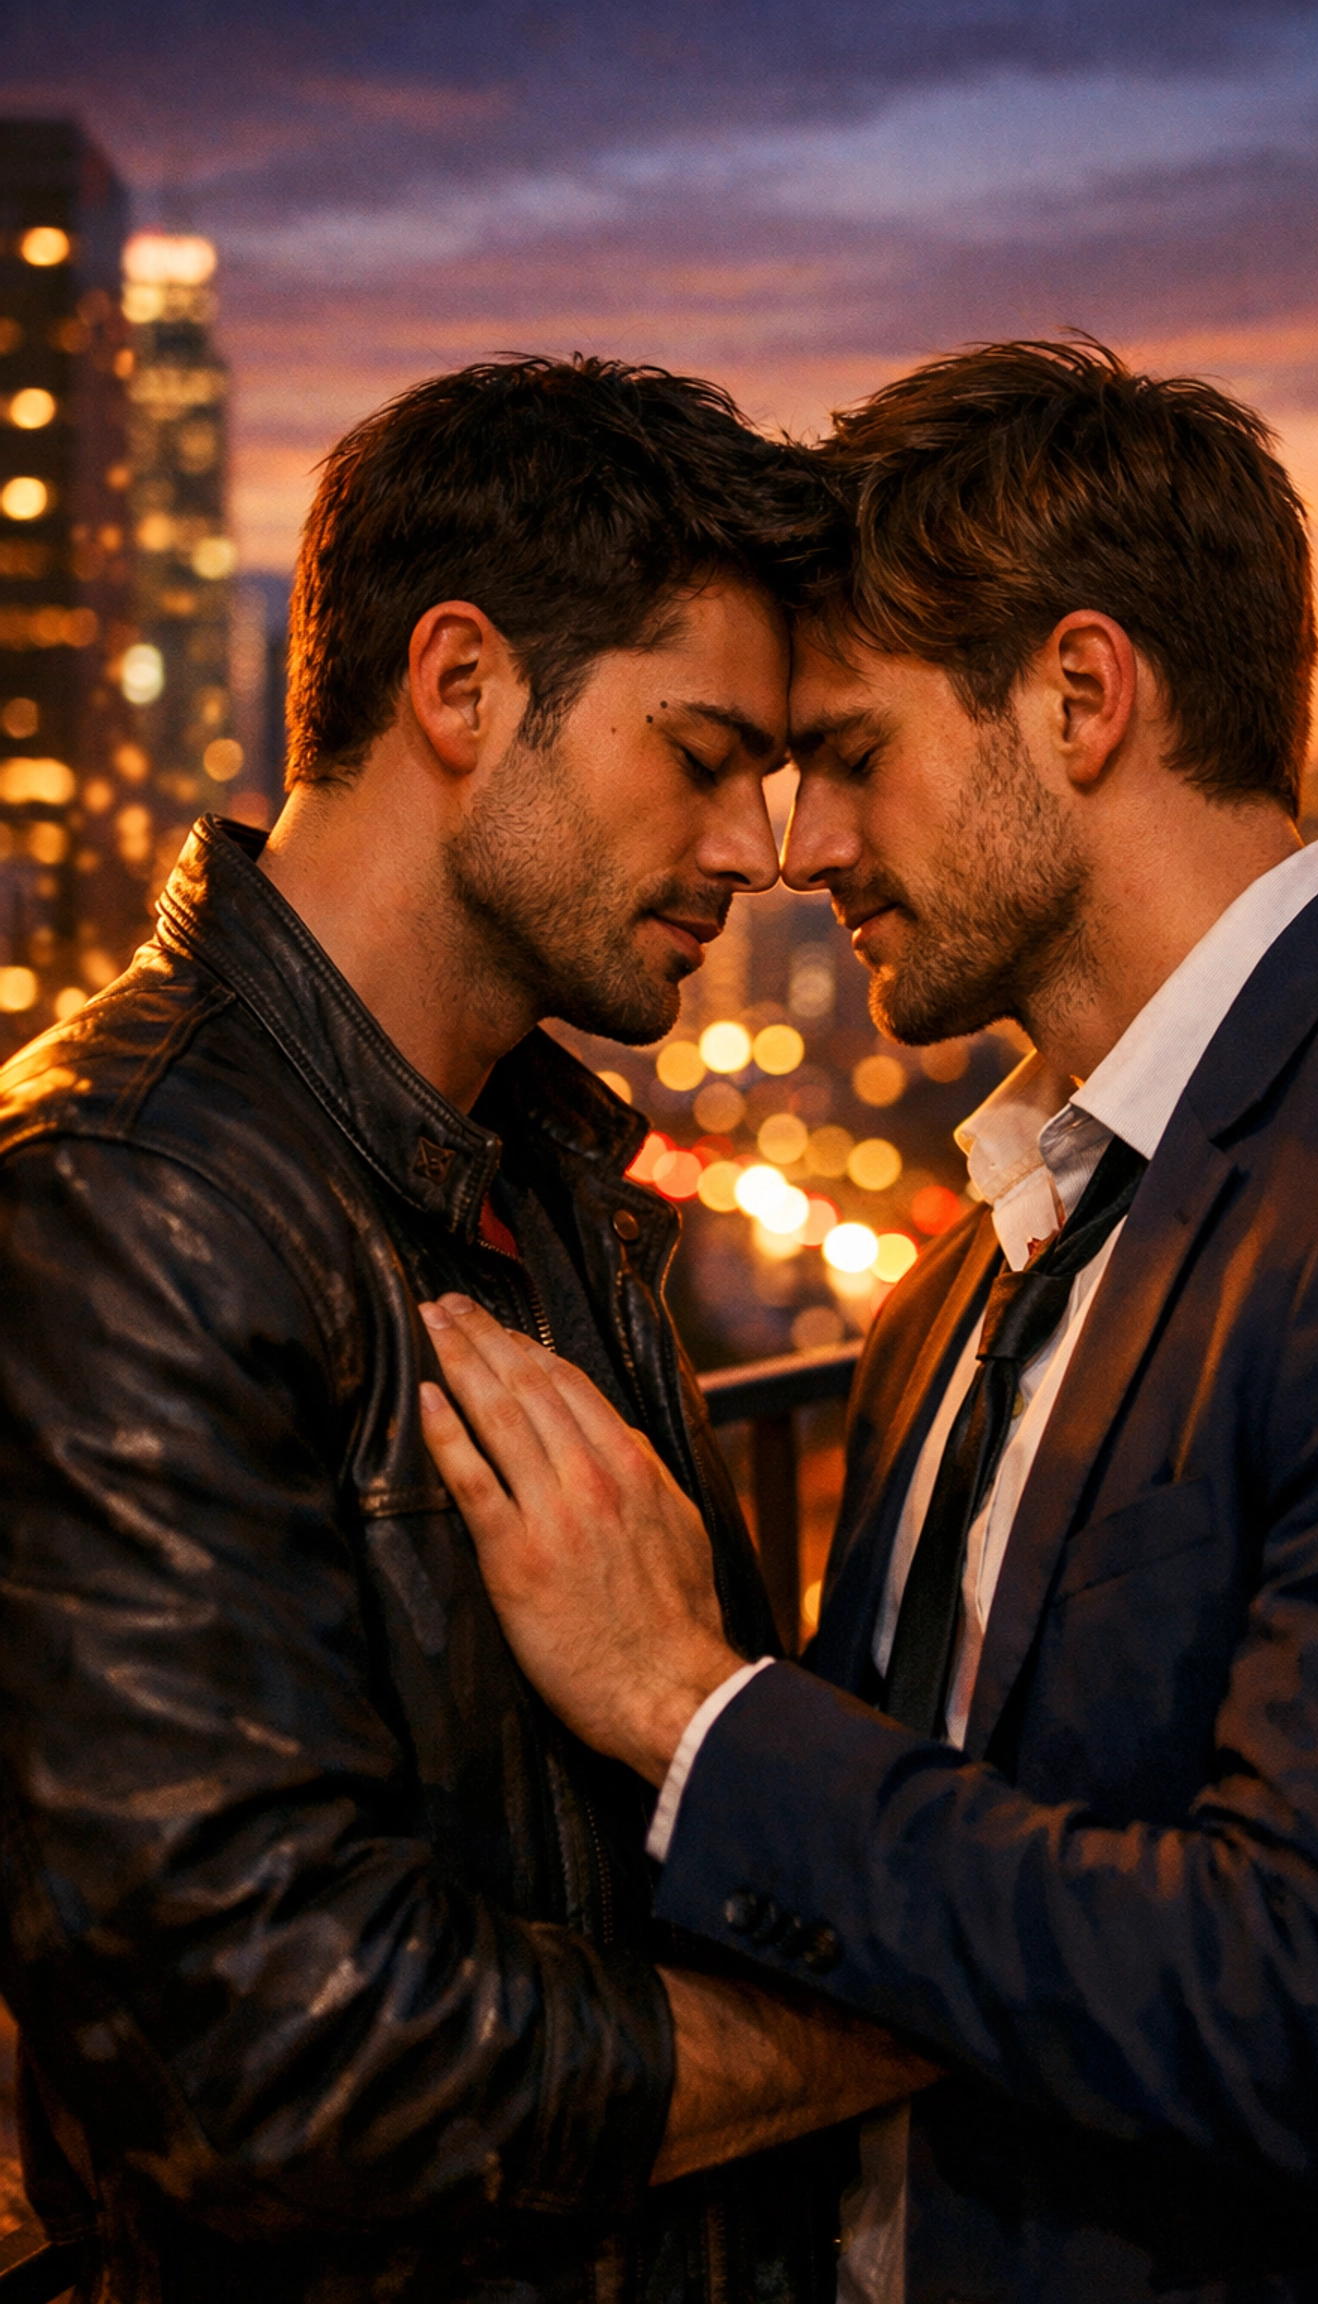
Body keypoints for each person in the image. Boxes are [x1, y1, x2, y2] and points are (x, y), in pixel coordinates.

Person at [418, 341, 1318, 2303]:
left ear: (1083, 697)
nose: (793, 849)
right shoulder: (971, 1264)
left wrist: (693, 1707)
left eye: (850, 754)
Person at [0, 355, 932, 2304]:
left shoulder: (536, 1162)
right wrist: (924, 2012)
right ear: (459, 688)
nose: (757, 856)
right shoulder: (114, 1204)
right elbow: (269, 2062)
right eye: (700, 756)